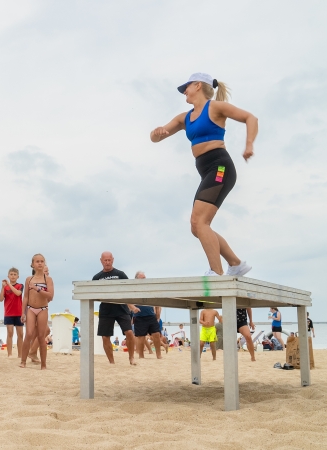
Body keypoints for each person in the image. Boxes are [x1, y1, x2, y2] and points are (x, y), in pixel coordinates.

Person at [150, 72, 257, 277]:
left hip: (220, 168)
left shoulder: (215, 107)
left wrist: (249, 144)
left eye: (186, 88)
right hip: (207, 170)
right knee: (196, 227)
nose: (184, 93)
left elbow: (250, 118)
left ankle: (216, 273)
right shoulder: (185, 118)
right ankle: (236, 264)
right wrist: (156, 134)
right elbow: (157, 137)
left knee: (201, 223)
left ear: (198, 86)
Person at [93, 251, 138, 365]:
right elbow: (92, 294)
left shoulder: (120, 274)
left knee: (129, 332)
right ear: (101, 261)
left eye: (109, 260)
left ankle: (131, 357)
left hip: (121, 308)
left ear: (112, 260)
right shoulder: (97, 277)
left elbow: (129, 290)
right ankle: (111, 361)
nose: (107, 262)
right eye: (105, 260)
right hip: (106, 309)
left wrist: (131, 306)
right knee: (105, 336)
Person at [20, 254, 55, 369]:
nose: (40, 263)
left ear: (44, 263)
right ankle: (23, 361)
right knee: (29, 334)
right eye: (37, 261)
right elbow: (25, 297)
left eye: (42, 261)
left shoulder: (48, 279)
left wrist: (37, 288)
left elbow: (50, 296)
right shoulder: (28, 279)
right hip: (30, 308)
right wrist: (22, 312)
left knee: (41, 336)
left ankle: (43, 365)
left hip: (42, 309)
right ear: (32, 264)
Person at [131, 271, 162, 360]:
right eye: (142, 278)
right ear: (137, 279)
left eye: (145, 278)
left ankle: (159, 355)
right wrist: (133, 308)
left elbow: (156, 300)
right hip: (139, 316)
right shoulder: (134, 289)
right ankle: (141, 356)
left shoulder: (149, 288)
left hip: (151, 315)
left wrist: (158, 313)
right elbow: (128, 301)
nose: (144, 280)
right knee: (141, 336)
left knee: (156, 334)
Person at [0, 267, 24, 357]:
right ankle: (9, 354)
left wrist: (8, 284)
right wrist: (3, 287)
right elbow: (1, 299)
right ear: (8, 275)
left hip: (19, 313)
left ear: (18, 276)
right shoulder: (5, 287)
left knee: (20, 334)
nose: (13, 276)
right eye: (11, 274)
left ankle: (20, 354)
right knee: (10, 333)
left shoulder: (20, 285)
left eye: (14, 274)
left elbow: (18, 293)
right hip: (9, 313)